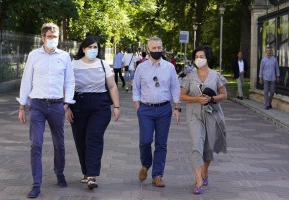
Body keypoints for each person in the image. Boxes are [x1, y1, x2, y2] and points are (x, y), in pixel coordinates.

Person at [16, 23, 75, 198]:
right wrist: (21, 106)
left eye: (55, 37)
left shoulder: (64, 57)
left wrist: (67, 103)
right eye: (49, 36)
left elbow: (70, 81)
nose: (53, 39)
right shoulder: (34, 55)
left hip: (57, 105)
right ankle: (36, 184)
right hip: (37, 105)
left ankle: (59, 172)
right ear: (43, 38)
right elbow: (26, 80)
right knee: (36, 143)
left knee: (59, 143)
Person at [65, 36, 120, 190]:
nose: (93, 50)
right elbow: (66, 86)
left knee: (93, 138)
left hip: (100, 107)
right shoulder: (73, 64)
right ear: (83, 49)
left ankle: (92, 175)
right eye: (90, 47)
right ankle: (86, 171)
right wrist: (67, 107)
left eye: (95, 47)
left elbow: (112, 86)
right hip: (78, 105)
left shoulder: (103, 64)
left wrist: (116, 107)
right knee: (80, 140)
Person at [133, 36, 181, 187]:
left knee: (161, 144)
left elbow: (175, 87)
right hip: (145, 109)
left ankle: (157, 175)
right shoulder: (141, 67)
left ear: (162, 48)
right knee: (145, 141)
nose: (157, 50)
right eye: (154, 48)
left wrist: (177, 107)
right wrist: (138, 108)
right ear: (148, 50)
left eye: (159, 48)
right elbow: (136, 88)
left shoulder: (169, 67)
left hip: (164, 109)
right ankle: (146, 165)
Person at [179, 45, 227, 195]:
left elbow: (224, 95)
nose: (198, 59)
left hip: (212, 113)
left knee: (208, 147)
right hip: (194, 114)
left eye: (201, 57)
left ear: (207, 58)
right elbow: (182, 96)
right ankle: (199, 180)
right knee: (196, 145)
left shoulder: (216, 75)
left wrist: (211, 98)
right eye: (196, 57)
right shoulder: (189, 77)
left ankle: (205, 171)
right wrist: (195, 99)